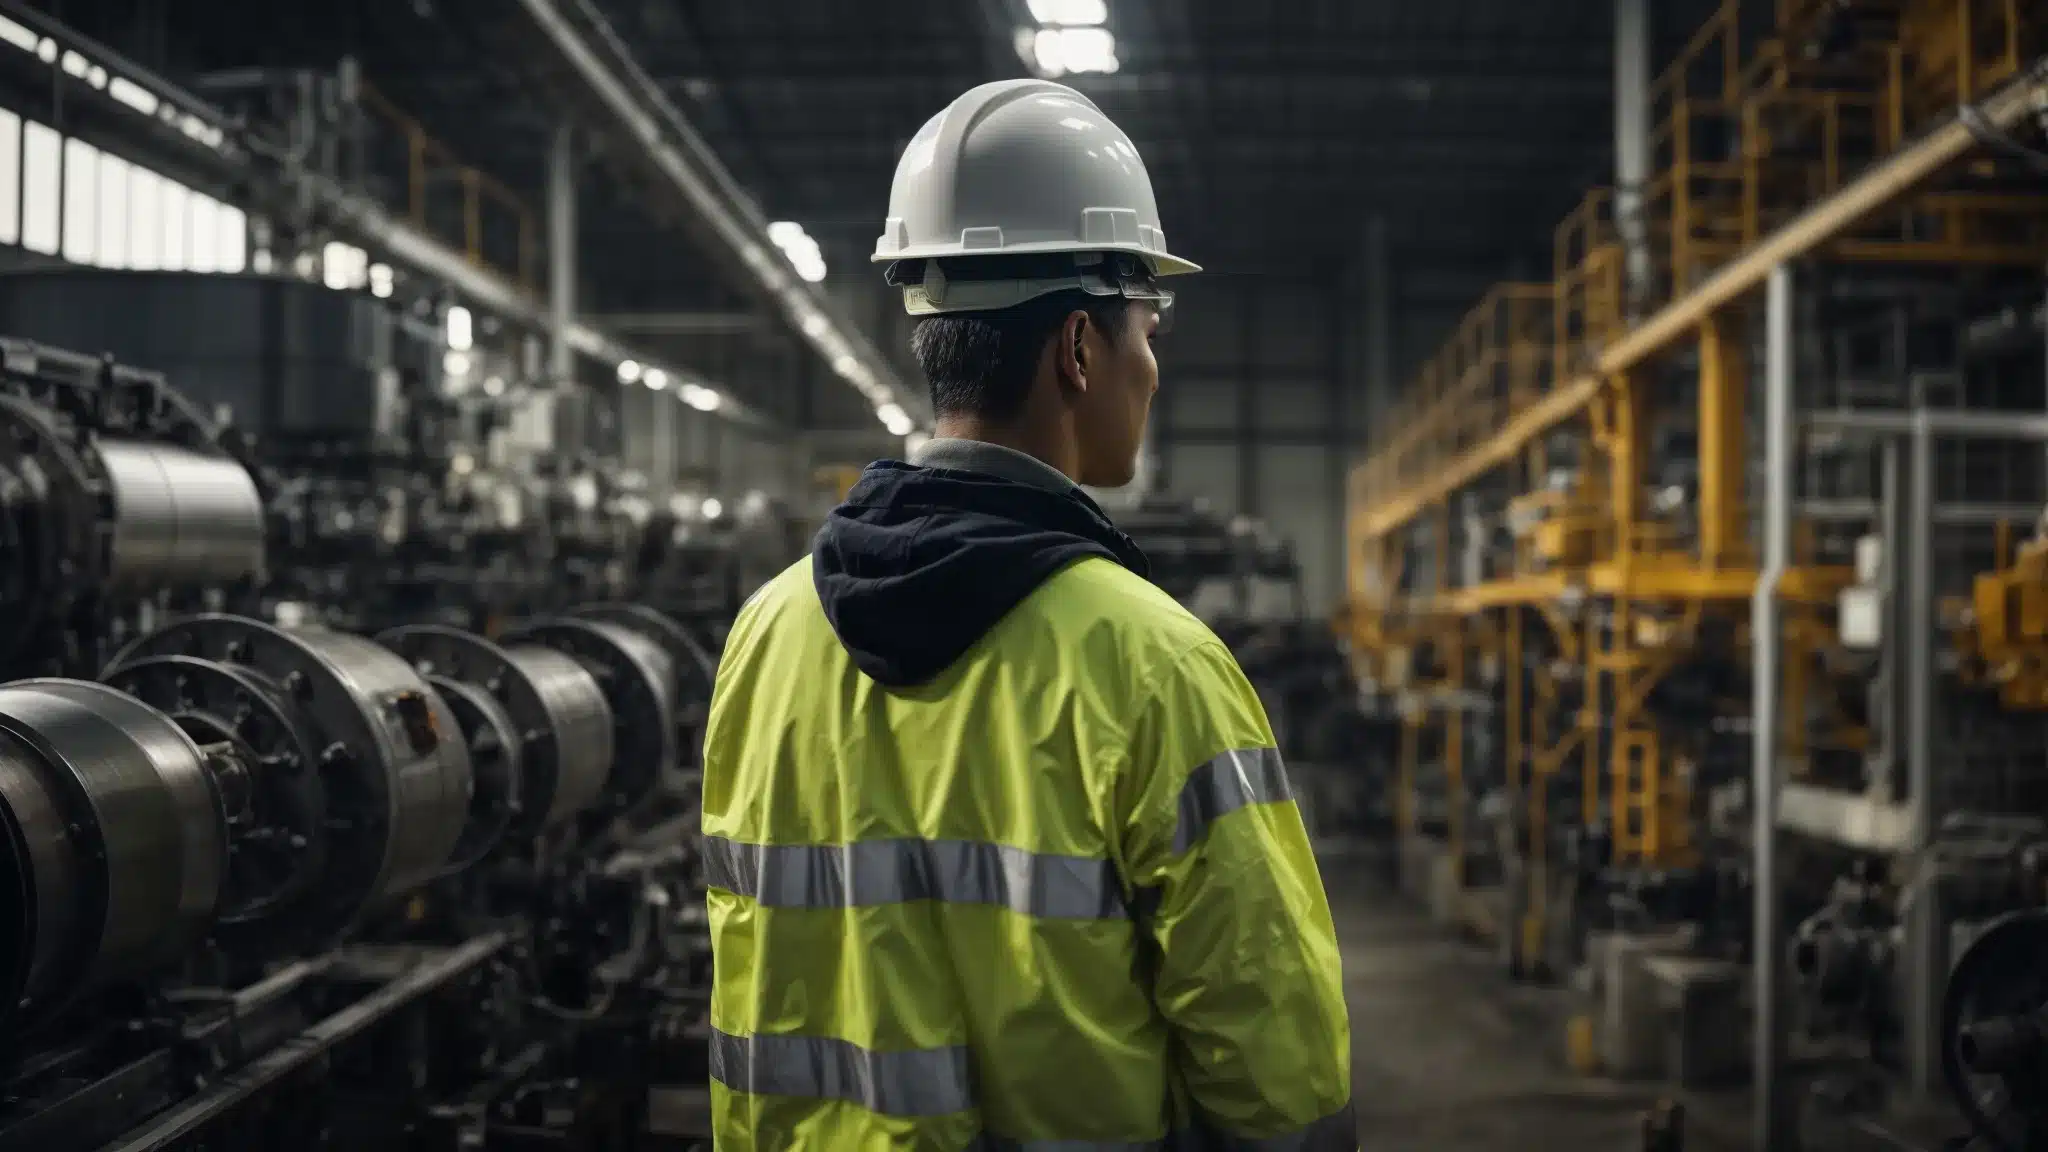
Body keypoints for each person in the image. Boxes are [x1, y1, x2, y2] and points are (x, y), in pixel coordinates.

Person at [701, 78, 1355, 1150]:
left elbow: (746, 971)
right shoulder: (1153, 663)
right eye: (1146, 321)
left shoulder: (766, 636)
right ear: (1079, 350)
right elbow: (1272, 1059)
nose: (1152, 361)